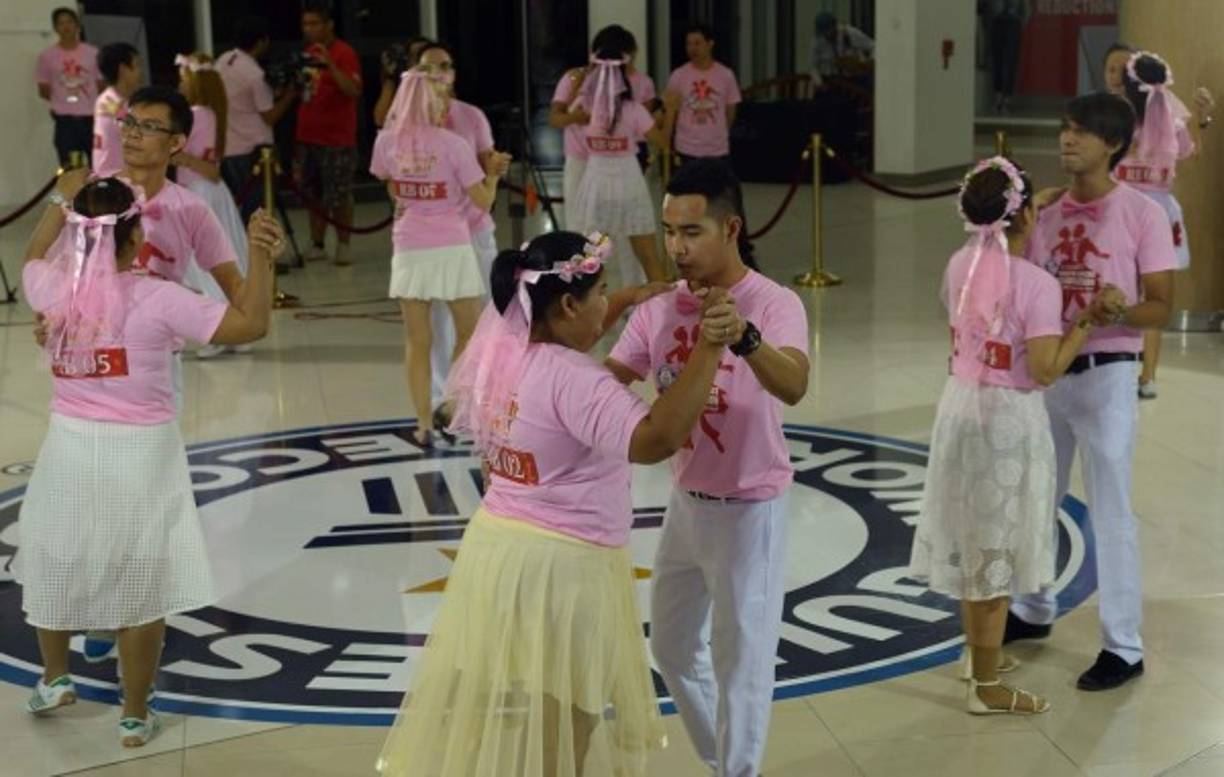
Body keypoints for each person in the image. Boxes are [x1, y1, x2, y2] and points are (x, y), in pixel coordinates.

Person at [377, 230, 728, 777]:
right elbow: (656, 438)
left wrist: (629, 298)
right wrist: (709, 347)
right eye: (601, 294)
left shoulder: (499, 355)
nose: (607, 304)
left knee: (544, 698)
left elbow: (572, 326)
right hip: (568, 565)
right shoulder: (578, 381)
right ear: (566, 303)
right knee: (573, 713)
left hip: (500, 549)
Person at [16, 173, 282, 747]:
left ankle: (56, 677)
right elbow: (251, 324)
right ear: (135, 239)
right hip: (141, 455)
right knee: (142, 581)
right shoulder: (160, 297)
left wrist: (62, 201)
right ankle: (134, 715)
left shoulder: (51, 288)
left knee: (57, 558)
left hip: (68, 445)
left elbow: (32, 252)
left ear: (81, 235)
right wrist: (261, 258)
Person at [606, 160, 810, 777]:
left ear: (731, 228)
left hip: (752, 509)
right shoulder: (660, 309)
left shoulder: (773, 303)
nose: (676, 247)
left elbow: (795, 384)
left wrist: (745, 340)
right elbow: (605, 385)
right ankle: (723, 760)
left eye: (691, 232)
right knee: (670, 649)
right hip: (687, 504)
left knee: (741, 662)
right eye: (670, 231)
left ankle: (736, 769)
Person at [909, 156, 1120, 716]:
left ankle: (976, 657)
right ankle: (987, 688)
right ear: (1024, 214)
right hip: (1005, 419)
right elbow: (1047, 368)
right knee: (996, 551)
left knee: (973, 538)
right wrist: (1088, 319)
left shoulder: (960, 264)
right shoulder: (1037, 285)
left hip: (958, 406)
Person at [1005, 93, 1177, 692]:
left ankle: (1123, 646)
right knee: (1036, 496)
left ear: (1112, 145)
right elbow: (1017, 285)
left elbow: (1161, 304)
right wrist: (1023, 227)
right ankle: (1032, 608)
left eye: (1079, 132)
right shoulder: (1047, 212)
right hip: (1050, 373)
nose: (1066, 141)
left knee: (1110, 509)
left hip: (1107, 372)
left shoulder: (1142, 214)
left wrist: (1119, 310)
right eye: (1064, 128)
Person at [369, 69, 505, 447]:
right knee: (470, 329)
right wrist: (492, 177)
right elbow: (483, 201)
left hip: (409, 245)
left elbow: (393, 188)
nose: (447, 104)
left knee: (417, 339)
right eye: (442, 96)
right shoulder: (452, 144)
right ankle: (452, 403)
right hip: (451, 243)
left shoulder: (386, 142)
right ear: (430, 101)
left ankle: (423, 423)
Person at [409, 42, 513, 418]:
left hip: (473, 229)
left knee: (484, 316)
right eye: (429, 67)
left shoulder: (471, 117)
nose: (439, 73)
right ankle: (443, 400)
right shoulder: (404, 124)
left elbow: (487, 161)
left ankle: (477, 394)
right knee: (439, 321)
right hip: (432, 239)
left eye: (446, 66)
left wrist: (496, 166)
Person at [1109, 49, 1214, 399]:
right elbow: (1190, 153)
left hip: (1120, 210)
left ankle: (1114, 366)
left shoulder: (1114, 122)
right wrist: (1202, 119)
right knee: (1154, 297)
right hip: (1160, 213)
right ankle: (1148, 376)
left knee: (1115, 290)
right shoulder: (1173, 121)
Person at [174, 52, 252, 358]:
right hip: (206, 191)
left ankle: (218, 331)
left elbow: (206, 165)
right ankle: (235, 330)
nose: (180, 83)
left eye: (184, 77)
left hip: (199, 192)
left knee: (204, 265)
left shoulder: (197, 114)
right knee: (218, 261)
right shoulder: (209, 114)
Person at [571, 45, 669, 286]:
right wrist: (672, 111)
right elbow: (663, 141)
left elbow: (568, 109)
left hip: (597, 184)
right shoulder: (634, 110)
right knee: (648, 256)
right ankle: (662, 315)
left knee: (590, 257)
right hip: (629, 183)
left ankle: (586, 313)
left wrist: (582, 78)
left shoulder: (587, 109)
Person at [295, 2, 363, 266]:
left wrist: (330, 65)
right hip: (308, 136)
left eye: (314, 23)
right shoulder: (307, 53)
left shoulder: (344, 53)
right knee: (313, 194)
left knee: (340, 194)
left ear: (328, 25)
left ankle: (344, 245)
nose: (309, 29)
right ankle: (317, 243)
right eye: (305, 24)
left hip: (337, 139)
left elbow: (353, 91)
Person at [215, 15, 299, 220]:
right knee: (257, 208)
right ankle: (254, 249)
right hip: (254, 153)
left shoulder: (224, 60)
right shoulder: (254, 74)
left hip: (227, 148)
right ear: (261, 42)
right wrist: (290, 94)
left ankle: (238, 247)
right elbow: (269, 115)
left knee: (237, 205)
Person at [664, 24, 742, 167]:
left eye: (697, 43)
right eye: (688, 44)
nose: (692, 48)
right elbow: (670, 113)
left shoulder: (726, 75)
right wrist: (667, 144)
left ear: (710, 44)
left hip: (717, 150)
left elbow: (730, 112)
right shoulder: (678, 75)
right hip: (686, 148)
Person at [36, 7, 101, 166]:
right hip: (66, 124)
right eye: (61, 23)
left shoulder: (93, 53)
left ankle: (98, 191)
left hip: (92, 121)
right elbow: (43, 89)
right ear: (55, 28)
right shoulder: (47, 56)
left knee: (98, 167)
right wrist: (63, 100)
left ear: (77, 25)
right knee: (72, 169)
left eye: (69, 22)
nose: (66, 27)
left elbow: (102, 85)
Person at [93, 43, 142, 178]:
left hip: (121, 178)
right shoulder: (109, 102)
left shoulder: (117, 100)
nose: (140, 72)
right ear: (123, 69)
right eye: (136, 65)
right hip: (112, 180)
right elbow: (135, 131)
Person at [372, 35, 434, 128]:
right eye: (414, 56)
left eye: (423, 55)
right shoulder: (399, 84)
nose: (419, 60)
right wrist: (390, 77)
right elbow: (380, 120)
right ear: (408, 61)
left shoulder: (440, 84)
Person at [982, 1, 1028, 114]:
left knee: (1011, 61)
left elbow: (1026, 6)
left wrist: (1021, 22)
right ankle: (998, 98)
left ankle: (1007, 100)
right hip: (996, 20)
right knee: (996, 61)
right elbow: (984, 5)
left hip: (1014, 21)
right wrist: (988, 21)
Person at [810, 11, 875, 90]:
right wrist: (819, 83)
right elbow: (813, 65)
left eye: (828, 30)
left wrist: (869, 62)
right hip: (831, 79)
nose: (826, 34)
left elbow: (873, 46)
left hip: (854, 78)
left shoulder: (850, 33)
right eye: (823, 32)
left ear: (834, 26)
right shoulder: (817, 40)